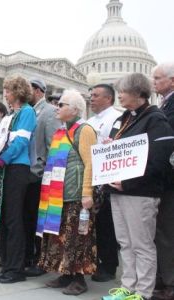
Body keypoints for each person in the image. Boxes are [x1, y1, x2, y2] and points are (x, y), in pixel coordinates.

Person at [101, 74, 174, 300]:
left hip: (140, 191)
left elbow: (157, 159)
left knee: (142, 244)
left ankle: (143, 292)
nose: (119, 95)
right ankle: (128, 286)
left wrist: (129, 182)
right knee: (125, 243)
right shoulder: (124, 118)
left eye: (122, 91)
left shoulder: (156, 119)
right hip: (117, 190)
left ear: (137, 92)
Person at [38, 90, 97, 296]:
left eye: (62, 104)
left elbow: (90, 163)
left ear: (73, 109)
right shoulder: (62, 131)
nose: (57, 107)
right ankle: (65, 273)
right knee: (60, 235)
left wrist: (87, 193)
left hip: (76, 194)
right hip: (59, 194)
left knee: (77, 237)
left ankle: (79, 279)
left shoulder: (85, 130)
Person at [0, 75, 36, 284]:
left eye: (7, 90)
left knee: (14, 219)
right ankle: (7, 264)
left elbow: (21, 143)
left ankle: (16, 268)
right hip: (4, 168)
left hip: (17, 168)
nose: (5, 94)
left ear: (17, 92)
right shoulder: (10, 116)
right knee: (4, 218)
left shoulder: (27, 112)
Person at [24, 79, 61, 276]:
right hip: (25, 175)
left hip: (39, 175)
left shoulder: (49, 112)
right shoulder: (27, 111)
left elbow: (53, 146)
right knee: (28, 220)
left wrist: (45, 172)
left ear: (37, 91)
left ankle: (41, 260)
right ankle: (29, 256)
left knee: (37, 220)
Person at [86, 84, 122, 283]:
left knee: (106, 224)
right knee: (93, 224)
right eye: (90, 95)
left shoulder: (116, 117)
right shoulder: (90, 121)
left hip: (106, 179)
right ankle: (96, 260)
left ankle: (108, 265)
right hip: (91, 176)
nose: (91, 98)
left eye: (96, 95)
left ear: (108, 98)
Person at [151, 62, 174, 300]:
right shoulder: (163, 104)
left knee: (167, 232)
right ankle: (162, 278)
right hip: (161, 180)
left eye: (158, 78)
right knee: (160, 232)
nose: (154, 82)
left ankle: (170, 283)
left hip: (170, 178)